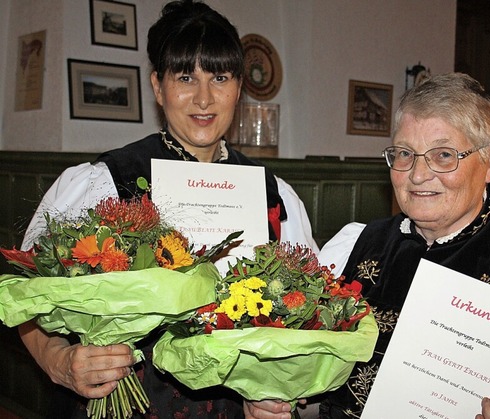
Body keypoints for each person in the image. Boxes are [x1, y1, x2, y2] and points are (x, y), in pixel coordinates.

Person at [245, 72, 490, 419]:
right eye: (404, 154)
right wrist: (277, 403)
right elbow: (317, 390)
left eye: (444, 155)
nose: (417, 174)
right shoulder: (354, 245)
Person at [18, 1, 317, 418]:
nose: (204, 98)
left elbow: (304, 320)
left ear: (238, 87)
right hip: (125, 405)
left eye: (220, 77)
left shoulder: (274, 196)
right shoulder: (106, 181)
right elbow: (27, 296)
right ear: (158, 87)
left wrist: (275, 390)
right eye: (185, 77)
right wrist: (58, 362)